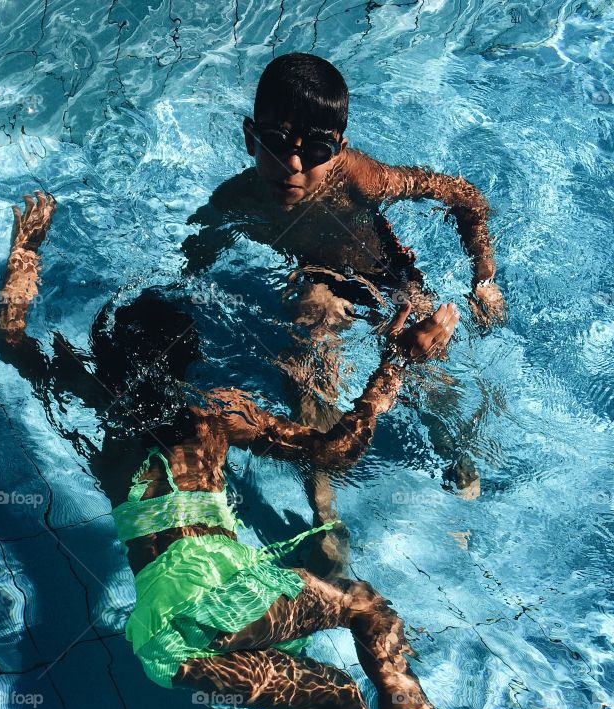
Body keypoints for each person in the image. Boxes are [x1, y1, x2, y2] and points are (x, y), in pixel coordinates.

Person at [0, 190, 591, 709]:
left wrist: (25, 253)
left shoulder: (102, 408)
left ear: (112, 364)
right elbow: (335, 450)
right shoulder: (211, 414)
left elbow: (13, 341)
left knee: (333, 699)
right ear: (188, 362)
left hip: (160, 637)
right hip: (218, 591)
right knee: (363, 605)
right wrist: (394, 365)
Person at [183, 53, 503, 571]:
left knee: (428, 370)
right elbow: (195, 254)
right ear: (248, 136)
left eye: (314, 151)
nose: (293, 167)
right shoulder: (236, 200)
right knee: (309, 329)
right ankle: (324, 512)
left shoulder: (362, 180)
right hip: (317, 281)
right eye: (275, 144)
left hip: (387, 279)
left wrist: (483, 279)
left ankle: (458, 458)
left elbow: (466, 196)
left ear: (339, 151)